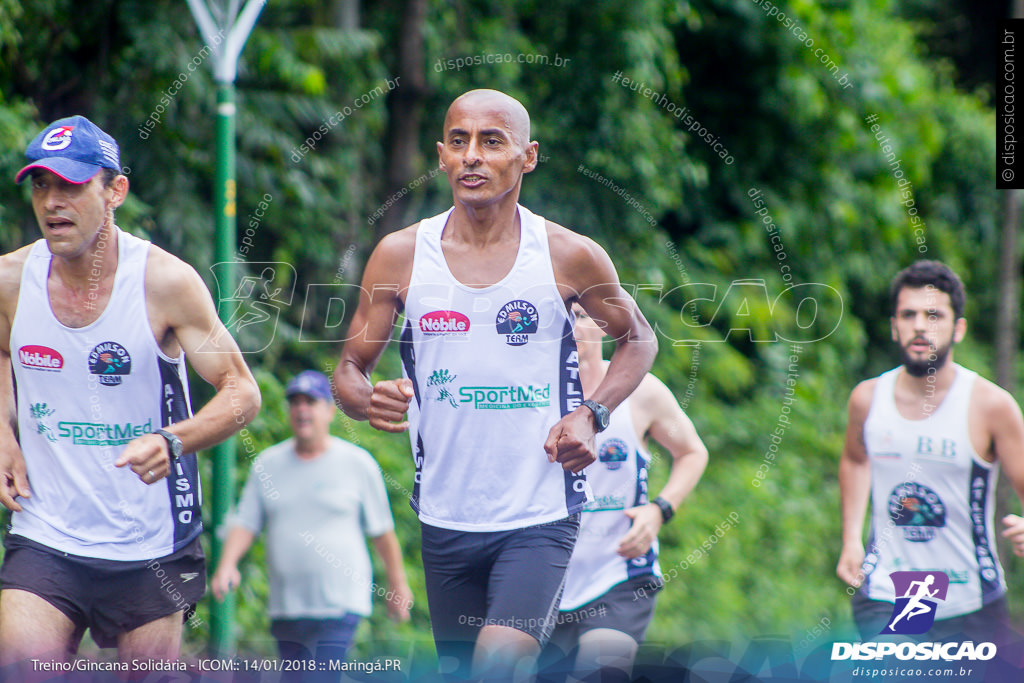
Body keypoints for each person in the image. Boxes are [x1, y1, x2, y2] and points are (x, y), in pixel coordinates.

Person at [334, 89, 657, 680]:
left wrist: (592, 413)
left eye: (491, 141)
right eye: (459, 142)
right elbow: (349, 371)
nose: (472, 157)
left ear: (527, 157)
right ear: (441, 156)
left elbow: (640, 339)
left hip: (538, 512)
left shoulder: (566, 256)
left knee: (497, 664)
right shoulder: (402, 255)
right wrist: (365, 400)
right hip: (445, 516)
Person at [0, 115, 261, 673]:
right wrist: (3, 434)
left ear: (115, 190)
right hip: (47, 533)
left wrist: (172, 440)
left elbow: (242, 392)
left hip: (149, 544)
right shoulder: (10, 280)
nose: (52, 202)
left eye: (71, 186)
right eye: (41, 186)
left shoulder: (164, 282)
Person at [836, 260, 1024, 643]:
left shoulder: (991, 405)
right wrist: (851, 537)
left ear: (959, 329)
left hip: (969, 596)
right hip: (892, 591)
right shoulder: (867, 399)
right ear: (894, 327)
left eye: (933, 315)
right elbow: (855, 461)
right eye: (908, 315)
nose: (920, 325)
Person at [210, 370, 413, 679]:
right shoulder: (267, 464)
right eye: (295, 402)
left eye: (311, 402)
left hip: (340, 603)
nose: (302, 410)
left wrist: (397, 585)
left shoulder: (357, 464)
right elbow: (246, 523)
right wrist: (227, 565)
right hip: (286, 605)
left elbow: (382, 533)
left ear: (330, 411)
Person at [542, 306, 707, 682]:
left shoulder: (642, 391)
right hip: (541, 574)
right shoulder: (528, 397)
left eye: (582, 315)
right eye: (562, 316)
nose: (572, 327)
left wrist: (659, 510)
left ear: (605, 326)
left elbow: (692, 452)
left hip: (618, 573)